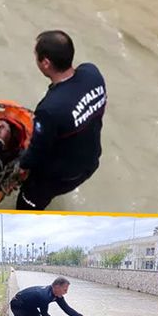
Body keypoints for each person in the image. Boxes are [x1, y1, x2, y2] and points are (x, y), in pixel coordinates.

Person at [17, 30, 107, 210]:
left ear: (46, 63)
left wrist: (22, 166)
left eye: (36, 57)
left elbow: (38, 150)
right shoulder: (92, 73)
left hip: (60, 176)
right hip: (90, 162)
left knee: (27, 206)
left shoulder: (50, 109)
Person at [10, 277, 88, 316]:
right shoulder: (45, 296)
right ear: (57, 287)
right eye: (65, 290)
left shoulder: (57, 295)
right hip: (18, 304)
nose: (66, 292)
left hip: (31, 306)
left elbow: (67, 309)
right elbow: (44, 314)